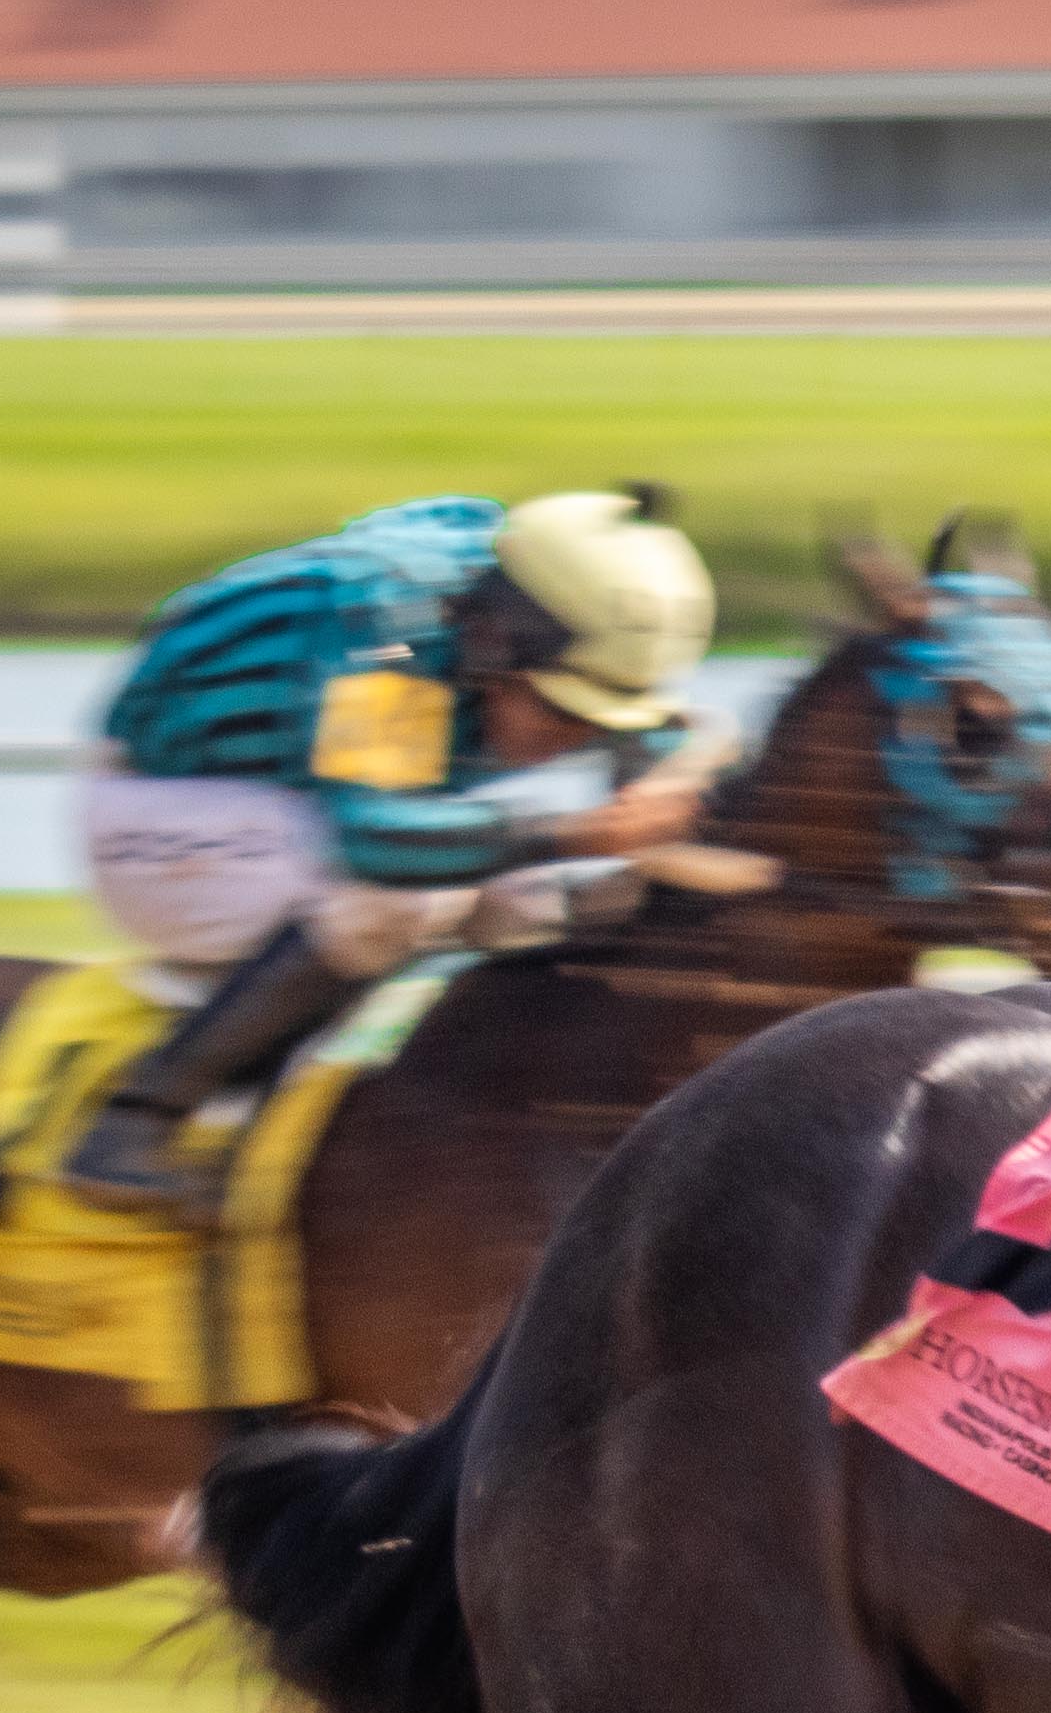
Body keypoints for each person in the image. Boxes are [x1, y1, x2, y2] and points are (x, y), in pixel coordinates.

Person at [52, 486, 716, 1210]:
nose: (579, 741)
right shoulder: (392, 629)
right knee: (409, 895)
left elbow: (667, 773)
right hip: (159, 813)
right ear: (495, 641)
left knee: (536, 899)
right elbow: (378, 839)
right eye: (564, 712)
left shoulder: (545, 612)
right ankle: (135, 1123)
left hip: (292, 806)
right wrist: (576, 833)